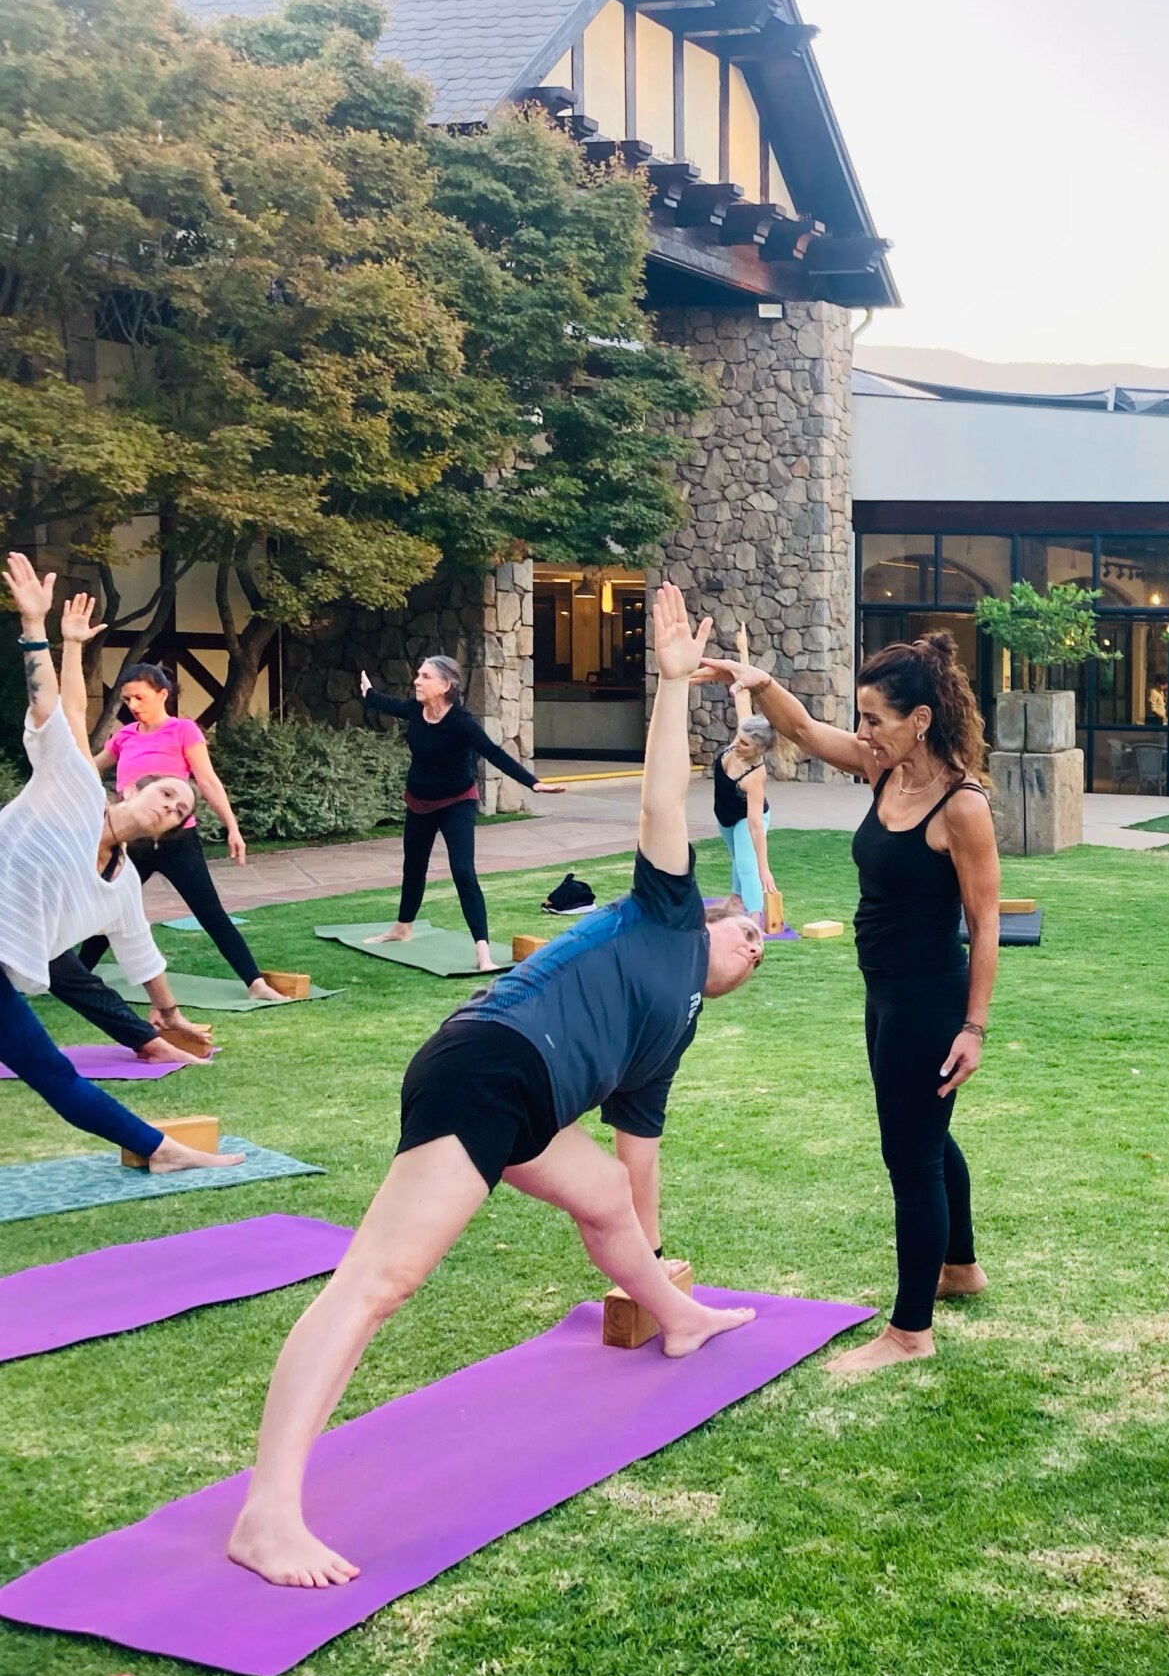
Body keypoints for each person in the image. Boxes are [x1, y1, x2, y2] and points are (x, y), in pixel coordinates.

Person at [225, 582, 766, 1589]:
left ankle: (680, 1320)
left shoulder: (670, 1037)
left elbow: (634, 1170)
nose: (750, 946)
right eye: (743, 929)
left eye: (757, 951)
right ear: (708, 922)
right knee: (380, 1280)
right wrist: (669, 689)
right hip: (485, 1062)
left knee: (602, 1197)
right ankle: (266, 1512)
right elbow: (661, 801)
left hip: (529, 1102)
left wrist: (650, 1267)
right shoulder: (661, 912)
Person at [705, 633, 1000, 1374]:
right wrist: (761, 681)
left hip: (928, 999)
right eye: (862, 718)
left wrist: (973, 1026)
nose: (864, 732)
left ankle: (910, 1332)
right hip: (884, 993)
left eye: (875, 718)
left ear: (922, 719)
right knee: (928, 1136)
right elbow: (802, 731)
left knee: (911, 1155)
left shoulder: (961, 806)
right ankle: (960, 1266)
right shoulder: (882, 770)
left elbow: (986, 922)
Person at [0, 556, 234, 1174]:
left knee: (51, 1072)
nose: (172, 804)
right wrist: (39, 629)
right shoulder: (73, 791)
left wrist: (170, 1016)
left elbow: (142, 955)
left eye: (180, 806)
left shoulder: (121, 883)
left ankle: (164, 1151)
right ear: (129, 792)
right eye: (165, 793)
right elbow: (59, 713)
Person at [70, 661, 287, 1001]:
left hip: (178, 841)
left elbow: (208, 781)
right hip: (132, 844)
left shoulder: (183, 730)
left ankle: (255, 984)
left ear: (162, 694)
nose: (133, 706)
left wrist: (233, 827)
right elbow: (86, 771)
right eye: (127, 700)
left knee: (210, 913)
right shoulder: (123, 737)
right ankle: (76, 980)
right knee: (107, 909)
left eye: (140, 698)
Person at [361, 657, 564, 972]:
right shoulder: (416, 710)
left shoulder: (462, 723)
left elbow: (494, 753)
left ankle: (482, 952)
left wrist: (533, 784)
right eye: (418, 675)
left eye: (425, 676)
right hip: (419, 800)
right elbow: (387, 705)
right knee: (413, 867)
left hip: (457, 801)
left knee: (463, 872)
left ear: (445, 686)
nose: (417, 680)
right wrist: (368, 692)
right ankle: (403, 928)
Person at [711, 625, 779, 931]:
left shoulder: (755, 775)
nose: (738, 745)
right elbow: (744, 688)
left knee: (748, 865)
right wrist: (742, 651)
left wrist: (765, 868)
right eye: (738, 738)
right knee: (738, 861)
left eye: (745, 745)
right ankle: (737, 900)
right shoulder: (747, 729)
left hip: (747, 818)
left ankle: (754, 919)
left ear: (760, 749)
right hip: (724, 815)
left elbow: (753, 826)